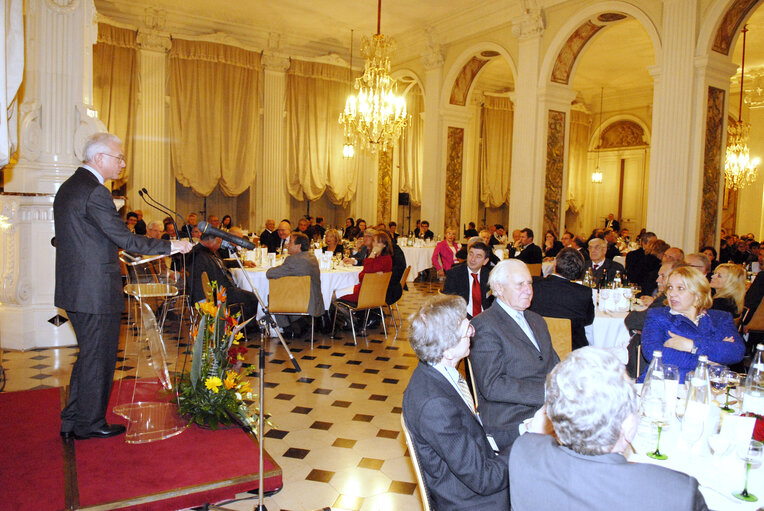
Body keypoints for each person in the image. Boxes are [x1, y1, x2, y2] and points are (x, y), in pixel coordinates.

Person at [54, 132, 193, 440]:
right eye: (119, 158)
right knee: (99, 356)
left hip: (76, 287)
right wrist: (171, 247)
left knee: (89, 353)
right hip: (93, 289)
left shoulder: (69, 187)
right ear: (99, 158)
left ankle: (73, 418)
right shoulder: (95, 191)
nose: (122, 164)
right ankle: (90, 424)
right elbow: (126, 239)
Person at [510, 347, 709, 511]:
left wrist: (537, 432)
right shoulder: (677, 492)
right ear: (629, 427)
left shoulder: (524, 451)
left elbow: (535, 439)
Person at [402, 294, 510, 511]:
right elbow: (484, 479)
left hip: (473, 472)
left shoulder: (439, 373)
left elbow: (471, 430)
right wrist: (523, 448)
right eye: (466, 330)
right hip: (471, 500)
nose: (473, 332)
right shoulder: (435, 405)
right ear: (448, 350)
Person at [470, 259, 560, 449]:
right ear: (499, 288)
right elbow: (492, 386)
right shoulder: (485, 325)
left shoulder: (536, 320)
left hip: (548, 409)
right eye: (520, 284)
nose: (528, 289)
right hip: (511, 416)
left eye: (529, 283)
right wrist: (546, 392)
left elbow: (554, 363)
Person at [639, 266, 745, 382]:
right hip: (665, 385)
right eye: (670, 287)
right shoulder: (658, 316)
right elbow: (653, 354)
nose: (672, 294)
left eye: (680, 288)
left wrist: (691, 345)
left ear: (698, 294)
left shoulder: (720, 318)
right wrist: (709, 363)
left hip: (708, 389)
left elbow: (736, 352)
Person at [188, 232, 260, 327]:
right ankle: (240, 328)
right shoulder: (197, 255)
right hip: (217, 293)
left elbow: (221, 263)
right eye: (218, 242)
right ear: (210, 241)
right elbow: (196, 280)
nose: (220, 245)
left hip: (224, 288)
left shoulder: (208, 250)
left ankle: (240, 325)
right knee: (252, 298)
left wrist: (242, 262)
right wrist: (204, 302)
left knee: (248, 294)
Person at [529, 248, 594, 350]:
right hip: (572, 351)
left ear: (555, 264)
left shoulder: (534, 285)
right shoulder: (584, 292)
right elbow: (588, 320)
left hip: (536, 347)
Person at [266, 232, 323, 337]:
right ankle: (298, 322)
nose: (287, 245)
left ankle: (287, 328)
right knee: (288, 290)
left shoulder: (293, 260)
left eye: (290, 242)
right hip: (313, 301)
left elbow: (270, 273)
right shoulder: (312, 257)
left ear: (299, 246)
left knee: (273, 296)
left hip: (301, 302)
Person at [442, 241, 493, 318]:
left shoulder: (490, 276)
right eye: (471, 254)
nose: (472, 259)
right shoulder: (454, 274)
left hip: (485, 317)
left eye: (478, 256)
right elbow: (449, 302)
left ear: (485, 261)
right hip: (462, 317)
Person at [339, 231, 393, 304]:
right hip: (370, 290)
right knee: (339, 289)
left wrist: (372, 254)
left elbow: (364, 275)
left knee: (334, 294)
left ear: (384, 245)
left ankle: (344, 314)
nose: (375, 245)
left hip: (367, 293)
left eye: (379, 242)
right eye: (374, 242)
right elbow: (363, 274)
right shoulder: (379, 257)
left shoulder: (384, 259)